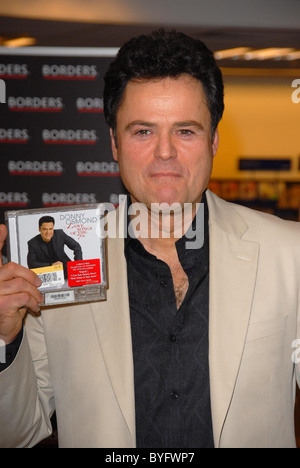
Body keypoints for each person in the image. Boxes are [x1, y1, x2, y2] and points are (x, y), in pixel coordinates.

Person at [0, 29, 299, 448]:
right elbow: (17, 432)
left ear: (213, 140)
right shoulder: (58, 272)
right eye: (142, 131)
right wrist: (4, 339)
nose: (164, 152)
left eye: (186, 131)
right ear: (114, 144)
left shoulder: (290, 254)